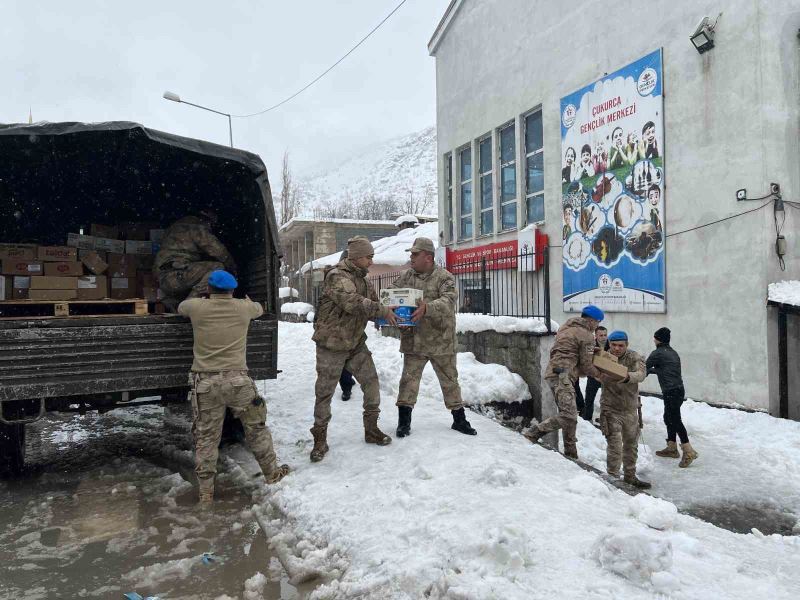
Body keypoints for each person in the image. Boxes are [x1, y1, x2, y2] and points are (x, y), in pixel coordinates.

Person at [178, 270, 289, 504]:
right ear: (233, 289)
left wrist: (200, 295)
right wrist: (246, 301)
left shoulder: (196, 307)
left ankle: (206, 491)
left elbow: (181, 307)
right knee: (256, 428)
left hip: (206, 384)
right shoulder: (244, 308)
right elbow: (258, 308)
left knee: (207, 437)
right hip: (239, 383)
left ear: (209, 289)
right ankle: (272, 474)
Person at [310, 236, 398, 462]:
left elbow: (375, 304)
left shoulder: (363, 279)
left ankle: (371, 430)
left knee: (372, 383)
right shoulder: (337, 276)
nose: (371, 261)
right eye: (369, 257)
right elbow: (352, 302)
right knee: (325, 393)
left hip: (355, 342)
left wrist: (394, 312)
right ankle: (320, 439)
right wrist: (380, 309)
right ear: (357, 257)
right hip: (332, 343)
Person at [391, 237, 476, 438]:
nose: (411, 258)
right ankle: (404, 422)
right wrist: (389, 306)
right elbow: (391, 295)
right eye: (410, 254)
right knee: (408, 382)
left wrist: (427, 307)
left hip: (441, 341)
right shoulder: (405, 277)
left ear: (428, 257)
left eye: (414, 254)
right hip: (415, 341)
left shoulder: (444, 277)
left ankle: (459, 420)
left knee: (450, 381)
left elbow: (448, 300)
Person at [525, 305, 607, 459]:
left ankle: (571, 453)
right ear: (591, 320)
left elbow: (569, 354)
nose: (597, 326)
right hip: (563, 377)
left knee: (570, 416)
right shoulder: (588, 335)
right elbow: (586, 365)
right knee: (569, 415)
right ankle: (534, 432)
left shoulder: (565, 328)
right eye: (597, 322)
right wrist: (599, 375)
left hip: (554, 373)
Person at [598, 331, 651, 488]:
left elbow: (641, 374)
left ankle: (630, 476)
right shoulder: (604, 358)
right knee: (614, 445)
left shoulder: (634, 357)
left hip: (629, 409)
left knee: (631, 445)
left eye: (621, 345)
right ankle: (613, 477)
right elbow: (594, 373)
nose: (616, 348)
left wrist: (627, 377)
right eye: (613, 345)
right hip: (610, 408)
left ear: (626, 345)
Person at [156, 210, 237, 311]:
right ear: (207, 220)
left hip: (164, 279)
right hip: (176, 275)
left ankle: (178, 306)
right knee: (217, 267)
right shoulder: (196, 226)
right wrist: (233, 269)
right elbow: (218, 251)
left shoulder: (175, 227)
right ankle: (190, 304)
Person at [646, 327, 698, 467]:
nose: (653, 340)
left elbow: (643, 368)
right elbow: (665, 369)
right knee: (668, 417)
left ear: (657, 339)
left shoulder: (657, 353)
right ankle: (671, 447)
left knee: (674, 419)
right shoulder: (672, 352)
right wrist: (653, 371)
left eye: (655, 337)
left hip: (671, 391)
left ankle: (688, 451)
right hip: (678, 390)